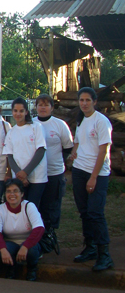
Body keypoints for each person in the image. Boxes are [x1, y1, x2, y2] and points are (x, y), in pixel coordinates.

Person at [70, 87, 114, 271]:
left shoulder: (101, 121)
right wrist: (74, 150)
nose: (85, 103)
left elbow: (103, 151)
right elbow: (79, 140)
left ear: (95, 102)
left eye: (88, 100)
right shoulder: (82, 120)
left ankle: (105, 254)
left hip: (97, 173)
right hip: (79, 170)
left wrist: (93, 177)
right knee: (85, 212)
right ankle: (90, 247)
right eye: (82, 100)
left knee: (96, 213)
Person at [33, 94, 73, 240]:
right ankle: (37, 236)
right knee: (36, 206)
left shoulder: (60, 125)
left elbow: (68, 147)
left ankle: (50, 236)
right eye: (40, 104)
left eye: (46, 104)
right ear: (35, 107)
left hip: (53, 172)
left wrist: (60, 162)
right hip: (35, 174)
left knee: (52, 206)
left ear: (52, 107)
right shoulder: (31, 123)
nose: (43, 107)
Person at [0, 179, 44, 281]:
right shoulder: (0, 209)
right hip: (10, 242)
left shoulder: (29, 206)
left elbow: (39, 229)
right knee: (1, 251)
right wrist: (3, 250)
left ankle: (32, 269)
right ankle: (11, 268)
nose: (12, 194)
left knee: (32, 251)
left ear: (22, 194)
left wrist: (25, 246)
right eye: (8, 191)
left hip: (28, 241)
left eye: (15, 191)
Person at [2, 98, 47, 209]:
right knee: (20, 208)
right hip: (19, 177)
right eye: (15, 111)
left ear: (26, 112)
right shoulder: (11, 132)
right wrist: (19, 175)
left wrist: (26, 172)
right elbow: (10, 156)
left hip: (37, 177)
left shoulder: (36, 127)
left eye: (21, 111)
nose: (18, 114)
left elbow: (40, 150)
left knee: (33, 207)